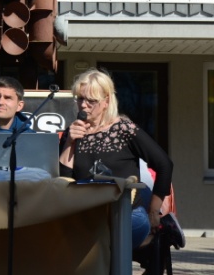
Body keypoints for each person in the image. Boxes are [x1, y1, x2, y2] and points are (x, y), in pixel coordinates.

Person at [59, 68, 174, 250]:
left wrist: (154, 210)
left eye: (91, 101)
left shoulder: (123, 129)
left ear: (106, 102)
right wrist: (69, 143)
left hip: (127, 212)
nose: (83, 105)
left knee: (111, 235)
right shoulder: (72, 133)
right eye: (80, 98)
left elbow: (164, 164)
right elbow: (63, 179)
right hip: (88, 214)